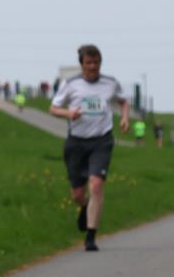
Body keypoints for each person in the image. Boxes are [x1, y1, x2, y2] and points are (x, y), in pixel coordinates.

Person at [49, 44, 130, 252]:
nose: (93, 66)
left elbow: (123, 101)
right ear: (82, 64)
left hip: (101, 140)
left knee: (96, 184)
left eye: (96, 62)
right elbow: (53, 108)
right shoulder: (71, 84)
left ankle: (91, 236)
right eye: (89, 63)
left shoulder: (110, 83)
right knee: (77, 194)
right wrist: (68, 113)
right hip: (76, 142)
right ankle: (84, 206)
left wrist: (125, 118)